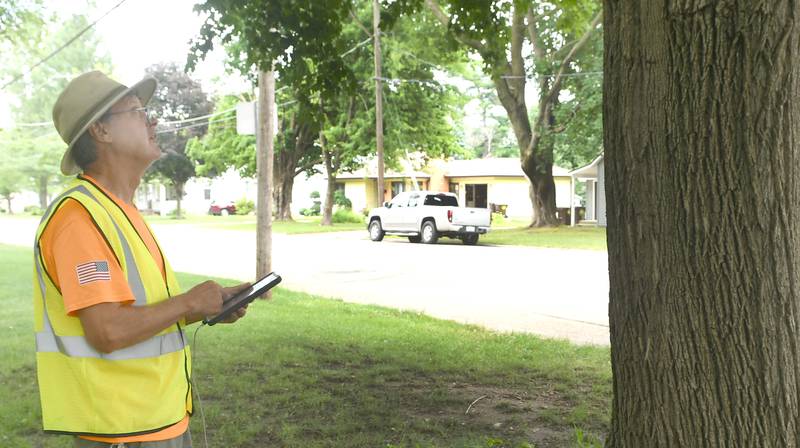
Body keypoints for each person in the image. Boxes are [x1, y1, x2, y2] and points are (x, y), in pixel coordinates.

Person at [34, 70, 249, 447]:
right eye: (136, 111)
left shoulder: (119, 210)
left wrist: (205, 307)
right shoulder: (79, 218)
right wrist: (188, 301)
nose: (152, 120)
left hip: (158, 421)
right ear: (102, 131)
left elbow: (144, 313)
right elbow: (108, 331)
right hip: (123, 431)